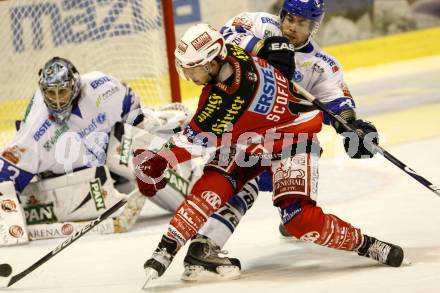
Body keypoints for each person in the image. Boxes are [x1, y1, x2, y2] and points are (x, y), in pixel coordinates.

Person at [134, 22, 404, 286]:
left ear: (211, 64)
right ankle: (189, 247)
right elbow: (239, 30)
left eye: (191, 70)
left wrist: (158, 163)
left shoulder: (223, 105)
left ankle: (368, 245)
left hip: (291, 139)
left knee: (299, 220)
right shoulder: (233, 50)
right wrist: (268, 45)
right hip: (251, 138)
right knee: (216, 180)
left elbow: (190, 141)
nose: (188, 77)